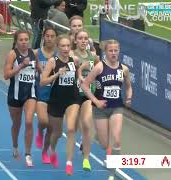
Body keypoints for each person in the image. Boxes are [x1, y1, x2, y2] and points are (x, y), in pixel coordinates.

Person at [81, 39, 132, 180]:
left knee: (116, 140)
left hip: (116, 108)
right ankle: (99, 136)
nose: (114, 53)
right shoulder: (99, 67)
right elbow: (85, 85)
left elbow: (128, 86)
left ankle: (112, 173)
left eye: (116, 50)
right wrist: (96, 101)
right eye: (111, 50)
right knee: (104, 144)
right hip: (101, 110)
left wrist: (128, 98)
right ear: (106, 52)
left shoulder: (124, 69)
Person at [40, 35, 80, 175]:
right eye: (63, 46)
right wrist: (56, 74)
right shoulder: (52, 61)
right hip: (56, 100)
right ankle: (48, 150)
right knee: (55, 133)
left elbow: (78, 76)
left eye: (68, 46)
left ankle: (69, 162)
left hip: (72, 99)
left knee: (70, 129)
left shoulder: (74, 61)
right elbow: (42, 82)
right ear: (58, 47)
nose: (66, 49)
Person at [3, 30, 37, 167]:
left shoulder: (34, 53)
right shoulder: (12, 54)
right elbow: (6, 75)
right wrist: (22, 65)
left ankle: (28, 154)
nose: (24, 42)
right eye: (21, 40)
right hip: (15, 94)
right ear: (16, 42)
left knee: (29, 121)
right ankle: (15, 146)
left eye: (26, 39)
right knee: (17, 123)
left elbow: (40, 69)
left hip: (30, 93)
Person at [71, 29, 100, 171]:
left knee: (87, 124)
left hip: (88, 95)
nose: (83, 41)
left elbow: (100, 69)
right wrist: (80, 69)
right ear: (75, 40)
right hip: (73, 95)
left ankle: (86, 159)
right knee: (72, 127)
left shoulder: (93, 56)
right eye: (80, 38)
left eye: (85, 38)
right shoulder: (72, 55)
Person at [33, 27, 57, 164]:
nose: (49, 38)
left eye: (52, 36)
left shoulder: (60, 56)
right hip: (40, 93)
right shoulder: (36, 53)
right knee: (43, 121)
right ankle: (39, 131)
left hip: (54, 96)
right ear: (43, 37)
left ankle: (45, 151)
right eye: (47, 36)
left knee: (52, 128)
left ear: (56, 38)